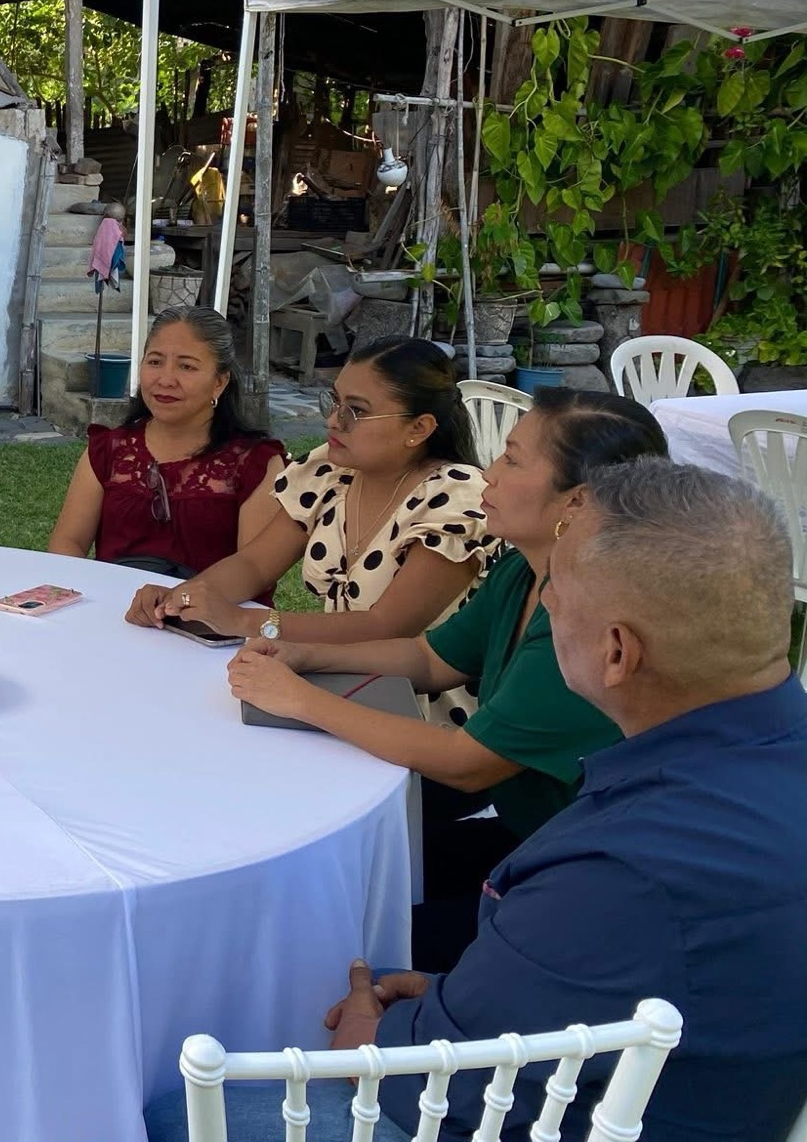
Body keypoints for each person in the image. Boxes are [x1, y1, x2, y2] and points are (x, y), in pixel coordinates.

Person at [146, 459, 807, 1142]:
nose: (546, 605)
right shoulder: (757, 763)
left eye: (557, 594)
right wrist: (452, 996)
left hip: (575, 1112)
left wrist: (373, 1034)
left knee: (173, 1111)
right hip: (671, 1059)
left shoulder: (623, 868)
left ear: (617, 653)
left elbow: (437, 1090)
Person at [226, 388, 667, 967]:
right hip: (534, 836)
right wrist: (306, 656)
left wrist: (303, 701)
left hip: (588, 879)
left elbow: (468, 762)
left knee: (337, 941)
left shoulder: (590, 618)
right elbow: (431, 658)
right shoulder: (525, 571)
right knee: (329, 877)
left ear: (577, 502)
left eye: (513, 459)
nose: (491, 473)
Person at [128, 337, 494, 645]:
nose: (333, 420)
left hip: (412, 698)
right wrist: (181, 598)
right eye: (334, 402)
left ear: (418, 428)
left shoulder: (455, 499)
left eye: (355, 411)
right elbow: (254, 564)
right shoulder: (333, 472)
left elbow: (386, 627)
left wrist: (244, 621)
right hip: (334, 672)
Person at [47, 305, 286, 580]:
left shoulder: (256, 463)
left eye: (186, 366)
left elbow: (254, 570)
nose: (166, 379)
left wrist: (180, 599)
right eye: (155, 362)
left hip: (214, 605)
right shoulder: (107, 450)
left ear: (219, 382)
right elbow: (68, 542)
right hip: (113, 604)